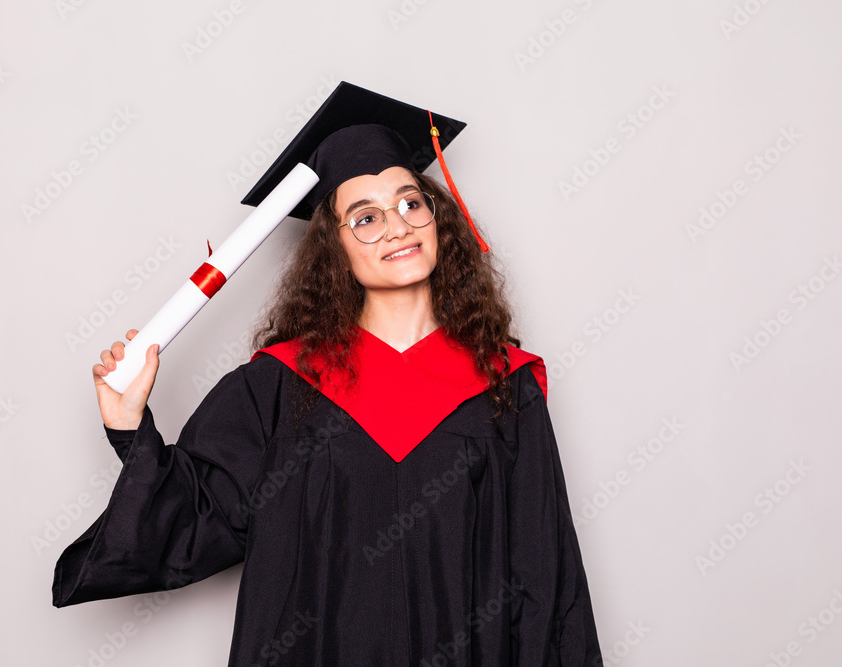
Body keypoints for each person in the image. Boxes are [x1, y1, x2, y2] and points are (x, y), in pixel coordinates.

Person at [53, 82, 603, 666]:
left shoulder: (505, 386)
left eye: (411, 204)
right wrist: (130, 428)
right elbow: (197, 519)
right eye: (365, 218)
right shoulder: (279, 386)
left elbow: (544, 569)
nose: (397, 227)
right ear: (334, 251)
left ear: (438, 220)